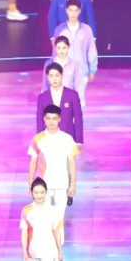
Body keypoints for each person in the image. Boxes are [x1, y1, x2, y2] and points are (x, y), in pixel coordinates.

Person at [29, 105, 78, 244]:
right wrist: (31, 185)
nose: (51, 121)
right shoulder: (37, 139)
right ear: (44, 119)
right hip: (43, 187)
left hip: (62, 185)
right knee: (44, 217)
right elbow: (33, 162)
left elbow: (72, 162)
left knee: (58, 218)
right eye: (48, 118)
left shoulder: (67, 139)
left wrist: (72, 184)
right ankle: (45, 247)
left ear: (59, 119)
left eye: (54, 118)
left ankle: (58, 249)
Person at [52, 0, 98, 107]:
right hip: (64, 73)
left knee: (79, 103)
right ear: (66, 10)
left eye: (76, 10)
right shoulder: (59, 30)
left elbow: (91, 50)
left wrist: (92, 70)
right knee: (63, 103)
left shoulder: (86, 30)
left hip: (82, 72)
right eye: (71, 10)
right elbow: (55, 52)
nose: (73, 13)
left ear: (80, 11)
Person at [38, 60, 84, 146]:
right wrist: (39, 142)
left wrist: (79, 142)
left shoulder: (72, 95)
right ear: (47, 77)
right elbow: (40, 122)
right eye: (51, 76)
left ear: (62, 75)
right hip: (49, 141)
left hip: (69, 140)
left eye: (57, 75)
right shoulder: (42, 98)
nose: (54, 79)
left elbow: (78, 120)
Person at [41, 36, 88, 112]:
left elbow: (78, 85)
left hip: (69, 102)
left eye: (64, 48)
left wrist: (79, 103)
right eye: (59, 48)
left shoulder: (74, 64)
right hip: (53, 102)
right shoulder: (49, 63)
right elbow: (45, 85)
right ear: (55, 48)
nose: (61, 50)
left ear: (68, 47)